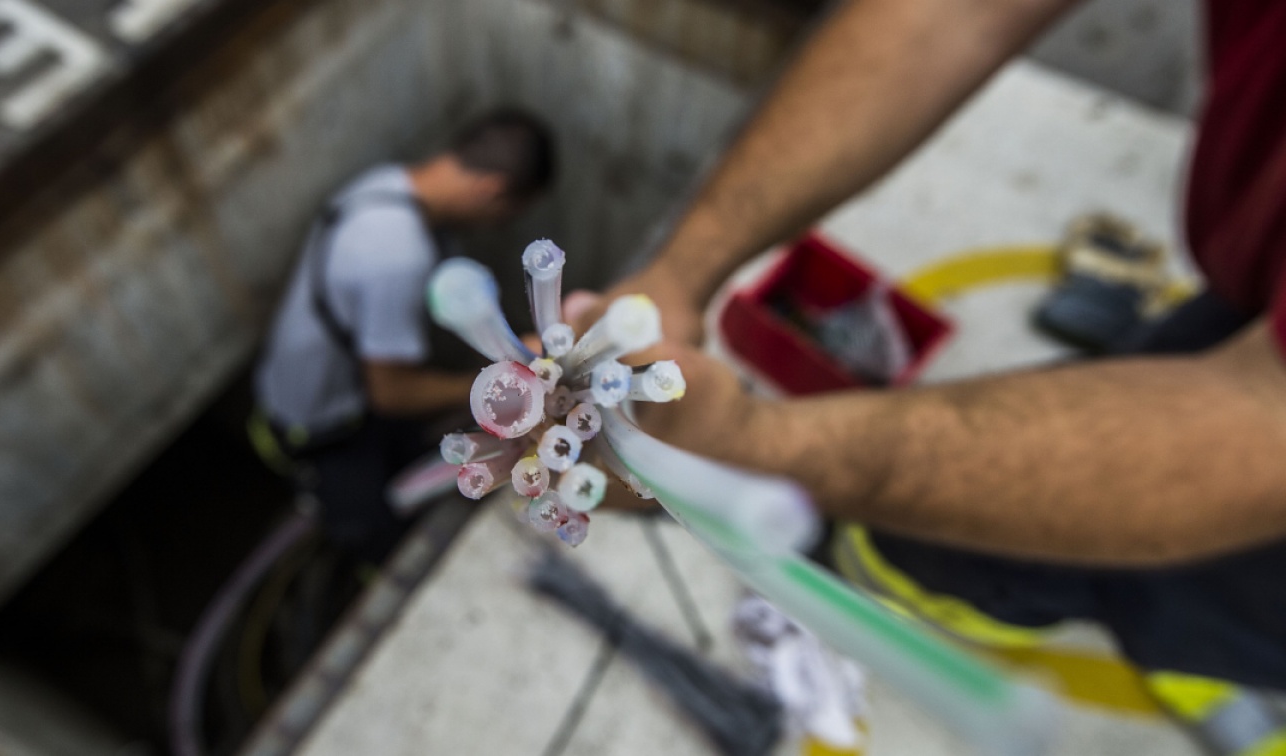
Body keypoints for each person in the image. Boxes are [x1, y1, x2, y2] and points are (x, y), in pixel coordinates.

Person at [571, 1, 1286, 751]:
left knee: (1138, 581)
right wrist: (677, 274)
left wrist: (751, 448)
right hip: (1249, 301)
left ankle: (1198, 651)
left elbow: (1261, 422)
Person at [253, 109, 555, 563]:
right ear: (491, 190)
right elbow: (391, 395)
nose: (496, 226)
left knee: (411, 451)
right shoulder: (400, 256)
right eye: (504, 215)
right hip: (317, 427)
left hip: (290, 381)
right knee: (377, 535)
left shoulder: (384, 183)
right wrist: (498, 382)